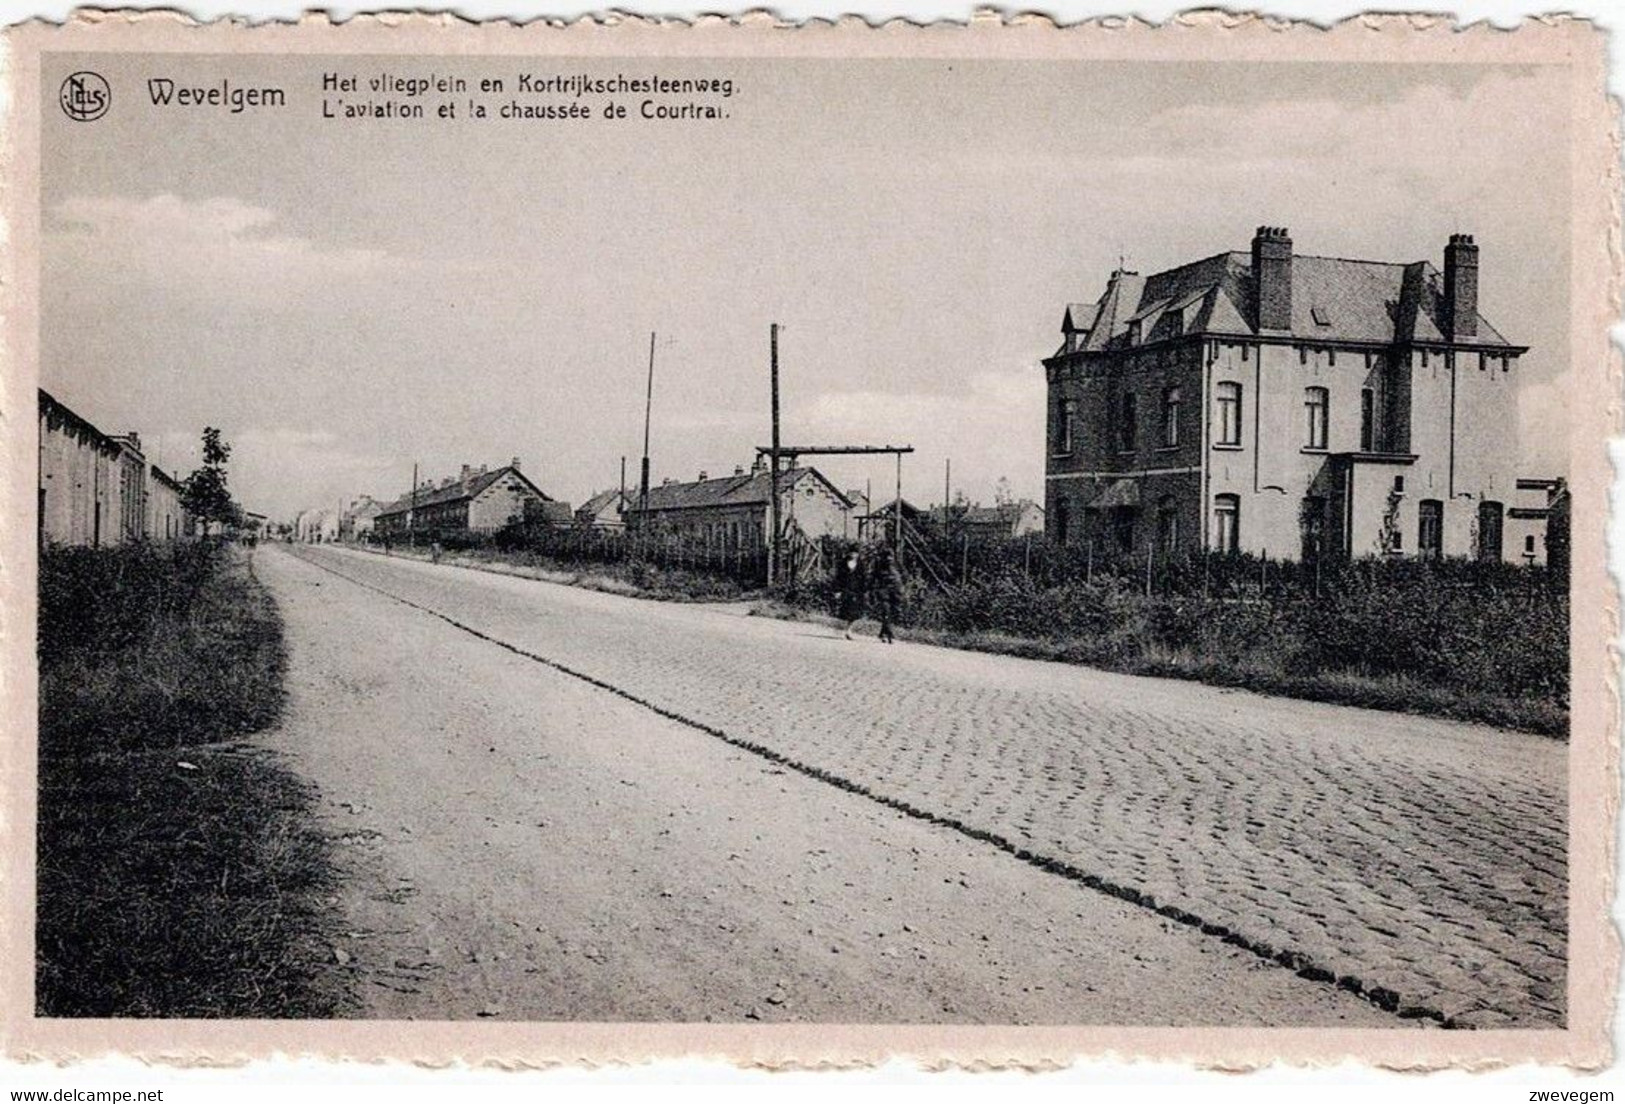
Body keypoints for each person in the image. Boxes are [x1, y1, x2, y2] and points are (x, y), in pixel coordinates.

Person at [870, 542, 903, 645]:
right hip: (883, 591)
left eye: (891, 556)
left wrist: (901, 587)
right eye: (887, 557)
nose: (889, 559)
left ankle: (882, 633)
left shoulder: (897, 564)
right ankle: (890, 635)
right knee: (886, 612)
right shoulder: (879, 566)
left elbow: (904, 576)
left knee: (894, 612)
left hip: (896, 592)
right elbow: (873, 578)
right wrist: (872, 591)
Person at [833, 546, 865, 640]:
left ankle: (849, 630)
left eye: (855, 553)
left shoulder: (860, 565)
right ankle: (842, 630)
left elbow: (863, 579)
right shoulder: (842, 564)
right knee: (844, 611)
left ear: (858, 554)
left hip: (856, 591)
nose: (853, 555)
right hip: (845, 589)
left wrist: (863, 591)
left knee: (854, 612)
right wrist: (837, 590)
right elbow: (838, 578)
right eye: (851, 553)